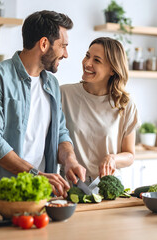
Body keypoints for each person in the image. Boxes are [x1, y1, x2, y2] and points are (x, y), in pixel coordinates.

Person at [0, 10, 86, 197]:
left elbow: (60, 132)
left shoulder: (52, 84)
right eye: (63, 46)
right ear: (43, 44)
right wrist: (35, 175)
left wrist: (70, 160)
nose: (66, 54)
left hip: (40, 192)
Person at [60, 37, 139, 185]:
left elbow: (130, 155)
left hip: (108, 187)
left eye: (97, 60)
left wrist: (113, 159)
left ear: (112, 70)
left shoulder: (125, 104)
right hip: (71, 187)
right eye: (87, 56)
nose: (87, 63)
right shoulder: (64, 94)